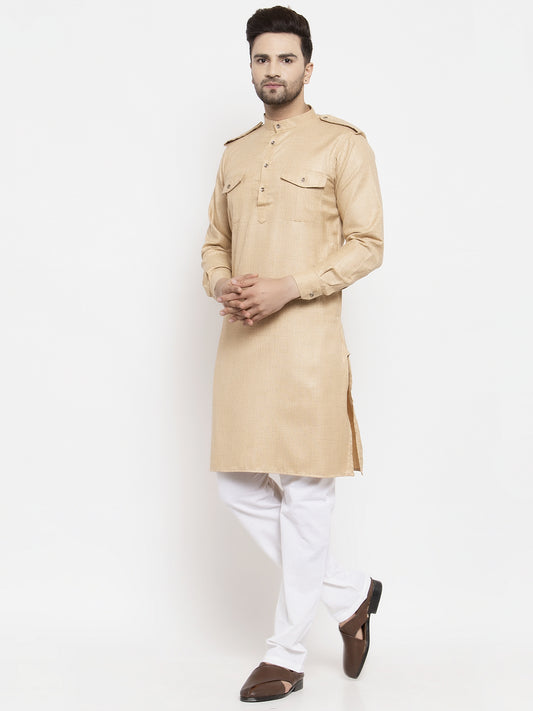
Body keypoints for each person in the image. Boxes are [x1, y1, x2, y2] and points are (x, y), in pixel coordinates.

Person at [201, 5, 384, 703]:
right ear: (250, 67)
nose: (272, 70)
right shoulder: (235, 153)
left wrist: (290, 287)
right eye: (261, 59)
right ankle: (350, 594)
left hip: (308, 345)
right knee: (234, 482)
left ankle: (285, 654)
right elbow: (214, 242)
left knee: (306, 494)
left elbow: (367, 245)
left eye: (285, 58)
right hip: (243, 341)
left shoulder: (343, 145)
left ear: (309, 67)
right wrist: (222, 282)